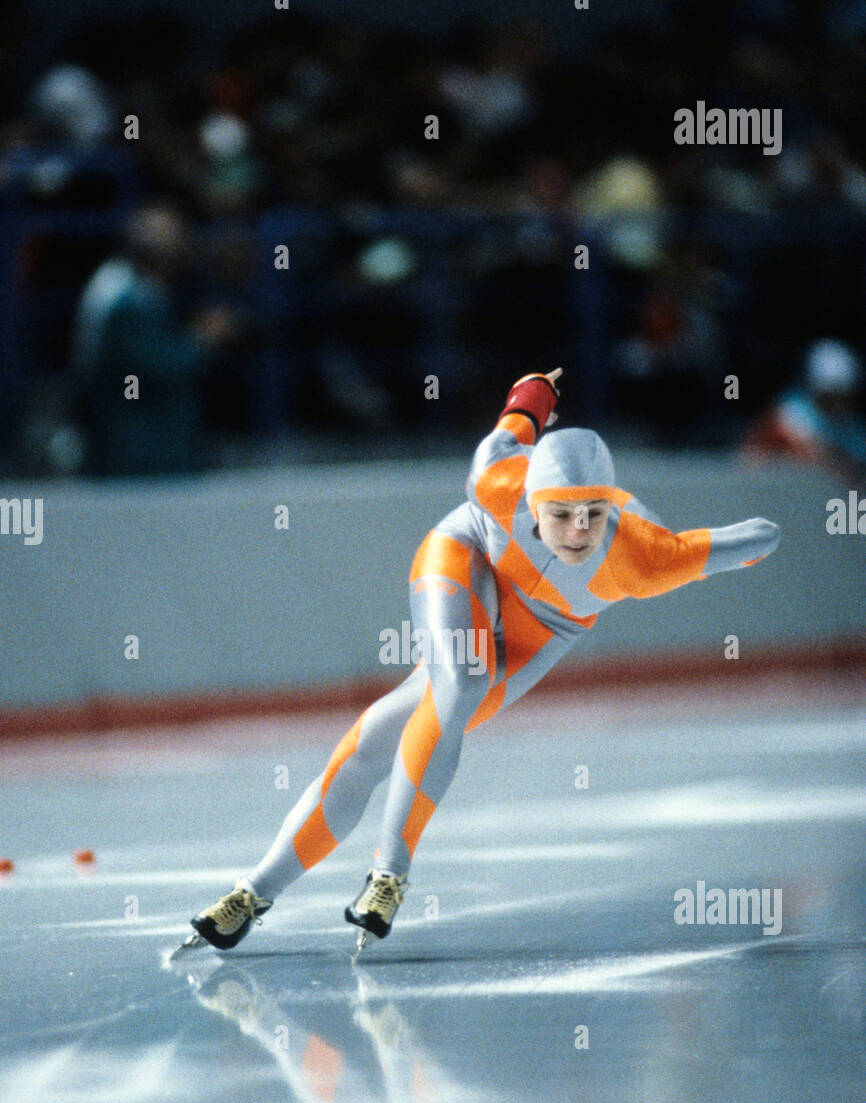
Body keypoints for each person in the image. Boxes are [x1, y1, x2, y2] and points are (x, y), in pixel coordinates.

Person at [182, 367, 780, 955]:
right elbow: (516, 421)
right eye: (561, 514)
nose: (578, 532)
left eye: (594, 515)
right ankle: (385, 874)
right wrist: (537, 389)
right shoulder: (497, 480)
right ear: (530, 501)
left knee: (379, 742)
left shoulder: (645, 558)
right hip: (467, 554)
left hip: (543, 628)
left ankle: (254, 895)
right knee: (462, 678)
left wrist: (749, 545)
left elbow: (761, 534)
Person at [72, 205, 237, 478]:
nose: (182, 244)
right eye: (173, 237)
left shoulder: (149, 293)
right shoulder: (123, 299)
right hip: (139, 451)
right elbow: (157, 367)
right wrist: (202, 339)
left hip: (159, 443)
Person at [742, 339, 866, 484]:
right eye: (829, 397)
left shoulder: (852, 424)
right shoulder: (789, 412)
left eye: (842, 397)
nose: (836, 405)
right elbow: (806, 451)